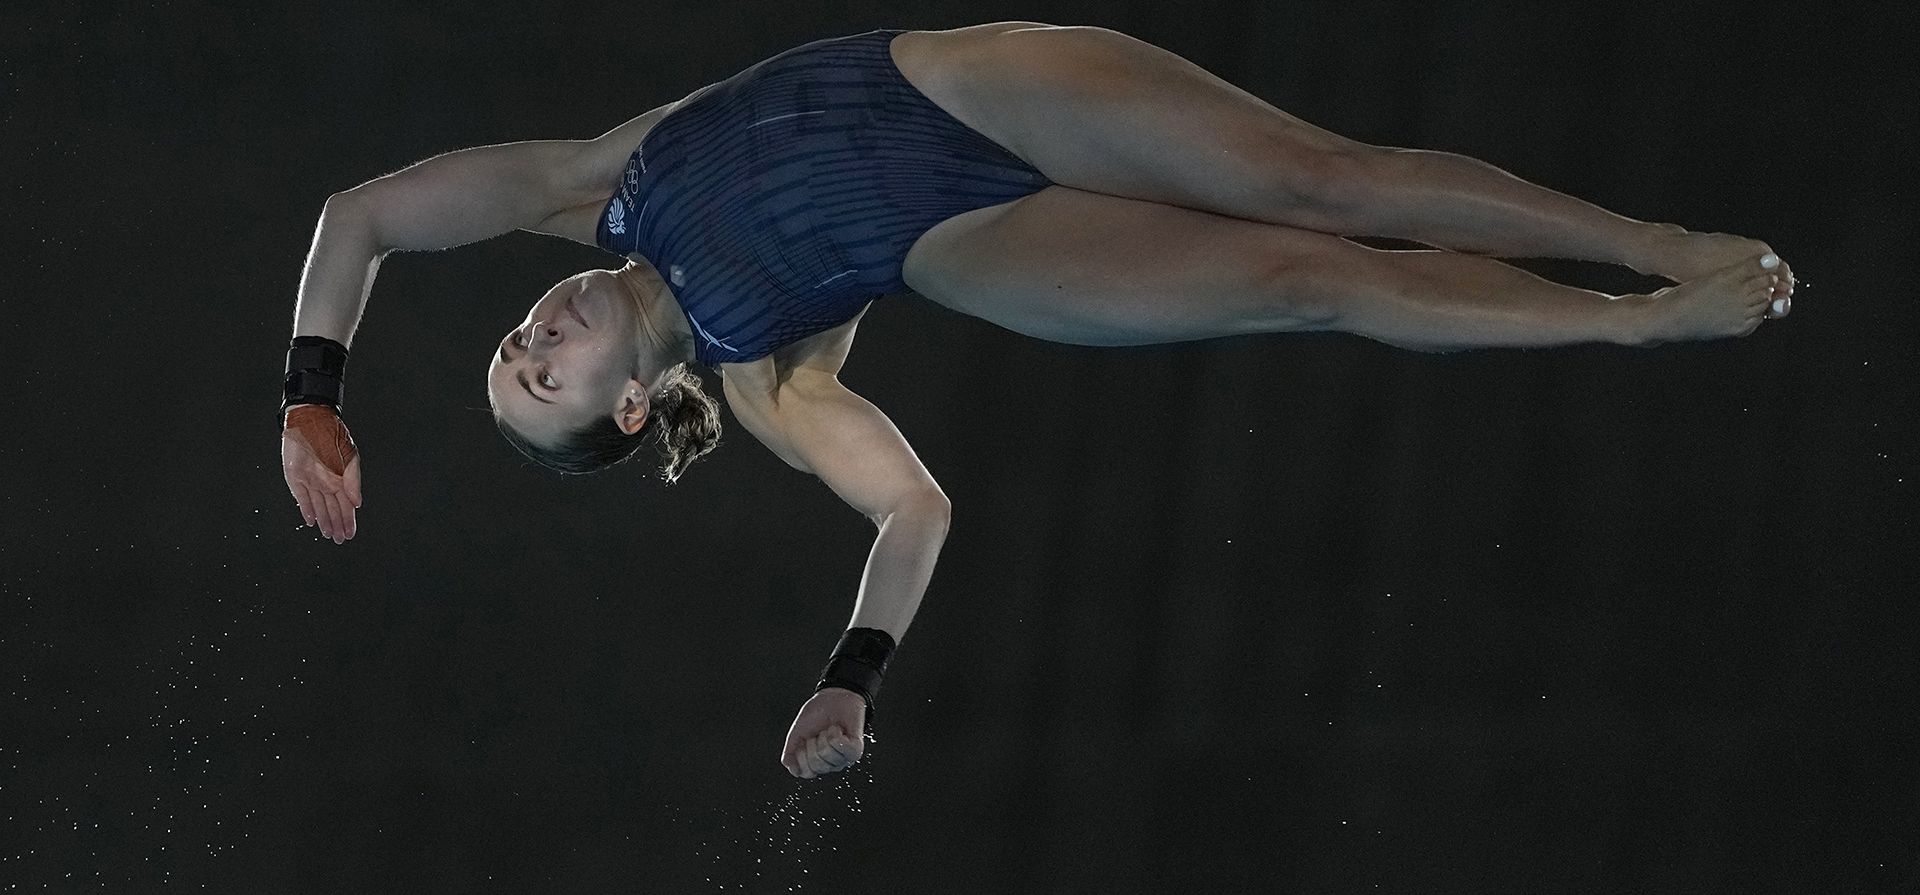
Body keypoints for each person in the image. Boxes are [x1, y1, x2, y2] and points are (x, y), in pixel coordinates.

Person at [277, 21, 1796, 780]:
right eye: (547, 377)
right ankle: (1631, 328)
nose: (535, 334)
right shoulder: (762, 379)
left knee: (1323, 178)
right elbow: (911, 509)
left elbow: (360, 217)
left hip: (959, 85)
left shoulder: (588, 186)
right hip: (972, 244)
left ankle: (1642, 239)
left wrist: (311, 395)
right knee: (1303, 276)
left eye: (509, 343)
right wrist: (853, 677)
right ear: (625, 411)